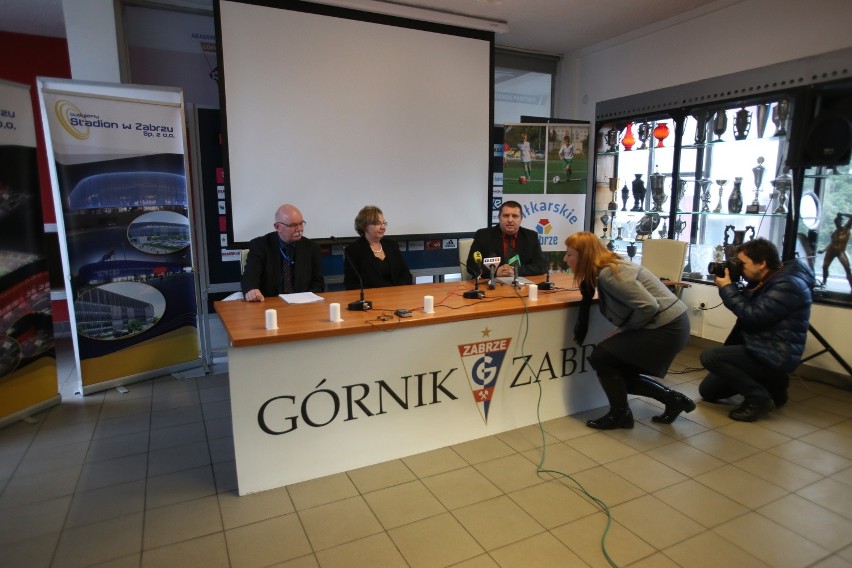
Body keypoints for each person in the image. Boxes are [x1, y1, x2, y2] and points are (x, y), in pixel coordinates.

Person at [565, 231, 694, 429]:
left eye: (570, 254)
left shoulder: (609, 274)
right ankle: (672, 400)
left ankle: (620, 413)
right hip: (667, 323)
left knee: (602, 357)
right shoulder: (608, 269)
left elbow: (648, 306)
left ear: (584, 255)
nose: (566, 259)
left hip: (667, 327)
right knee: (617, 368)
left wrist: (626, 328)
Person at [699, 238, 814, 421]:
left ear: (762, 263)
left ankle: (758, 398)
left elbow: (753, 316)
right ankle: (774, 383)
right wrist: (735, 282)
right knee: (708, 391)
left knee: (710, 357)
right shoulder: (764, 279)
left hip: (774, 353)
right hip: (758, 346)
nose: (739, 267)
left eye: (742, 264)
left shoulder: (787, 284)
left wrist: (728, 288)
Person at [241, 204, 324, 301]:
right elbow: (250, 277)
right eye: (293, 225)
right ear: (278, 227)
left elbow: (318, 285)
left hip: (303, 305)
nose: (299, 229)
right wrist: (252, 290)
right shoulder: (260, 246)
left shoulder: (312, 248)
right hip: (269, 304)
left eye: (301, 223)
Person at [466, 200, 547, 279]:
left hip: (521, 285)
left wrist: (516, 271)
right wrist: (495, 271)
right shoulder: (483, 235)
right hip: (490, 284)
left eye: (515, 216)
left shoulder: (531, 236)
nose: (510, 220)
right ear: (499, 217)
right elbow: (471, 266)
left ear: (521, 219)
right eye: (506, 215)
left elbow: (541, 266)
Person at [344, 205, 412, 289]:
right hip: (372, 298)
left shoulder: (392, 245)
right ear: (365, 226)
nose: (383, 227)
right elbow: (351, 284)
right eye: (377, 223)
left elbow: (406, 274)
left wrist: (397, 291)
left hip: (396, 296)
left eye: (383, 223)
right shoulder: (354, 250)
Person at [819, 212, 852, 292]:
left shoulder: (846, 229)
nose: (838, 223)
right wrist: (823, 250)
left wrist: (842, 214)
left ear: (841, 222)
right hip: (831, 250)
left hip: (841, 251)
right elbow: (832, 243)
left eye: (840, 221)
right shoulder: (835, 232)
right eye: (837, 222)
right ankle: (824, 282)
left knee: (847, 269)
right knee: (825, 266)